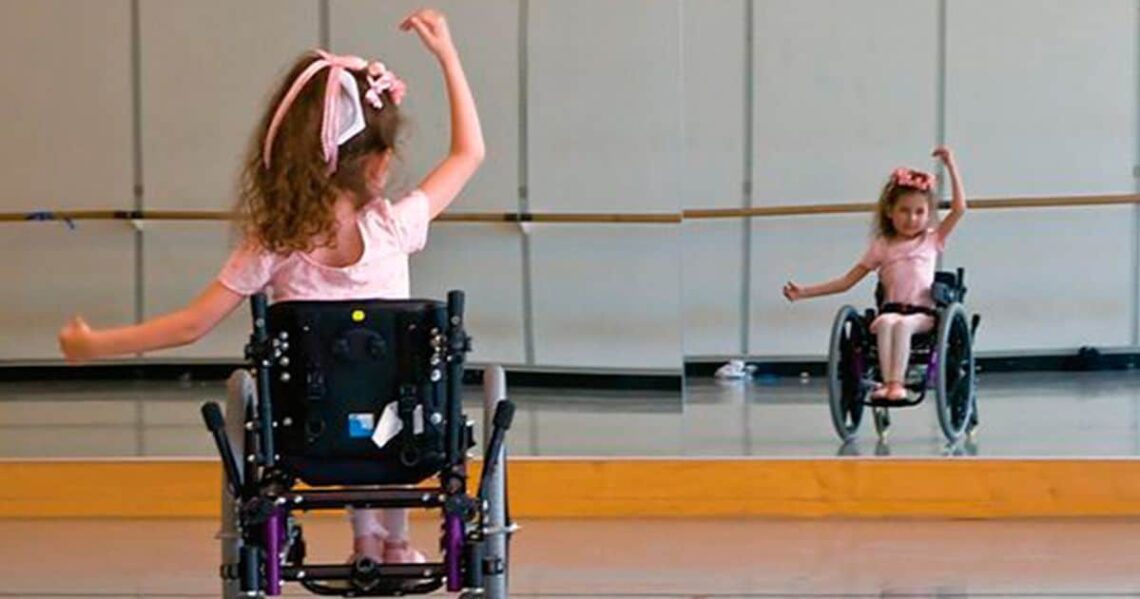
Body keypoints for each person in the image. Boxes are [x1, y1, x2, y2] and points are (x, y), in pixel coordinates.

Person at [58, 8, 484, 564]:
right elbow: (469, 153)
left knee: (337, 388)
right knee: (390, 383)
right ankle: (393, 541)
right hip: (399, 433)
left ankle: (364, 538)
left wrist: (94, 346)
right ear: (378, 165)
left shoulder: (273, 242)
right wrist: (448, 56)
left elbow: (191, 325)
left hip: (309, 434)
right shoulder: (394, 227)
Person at [782, 146, 965, 401]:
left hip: (923, 315)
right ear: (890, 212)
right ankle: (887, 383)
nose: (911, 218)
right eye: (904, 210)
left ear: (928, 215)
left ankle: (896, 384)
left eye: (919, 212)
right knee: (888, 322)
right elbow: (847, 281)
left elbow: (959, 209)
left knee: (901, 325)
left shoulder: (932, 241)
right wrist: (804, 292)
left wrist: (951, 165)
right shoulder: (881, 246)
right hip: (889, 310)